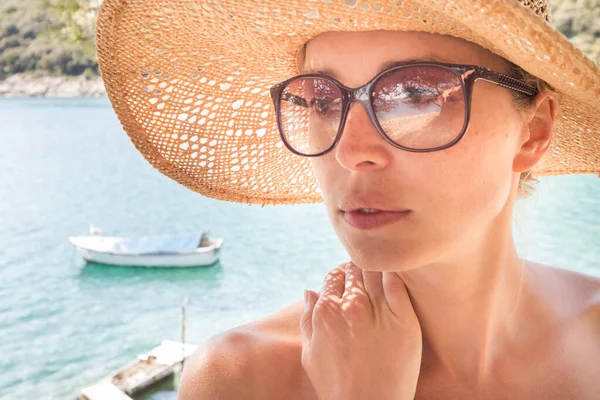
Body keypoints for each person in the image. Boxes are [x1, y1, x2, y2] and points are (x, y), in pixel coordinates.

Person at [95, 0, 600, 398]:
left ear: (533, 132)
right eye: (321, 99)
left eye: (415, 94)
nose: (350, 150)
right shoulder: (240, 380)